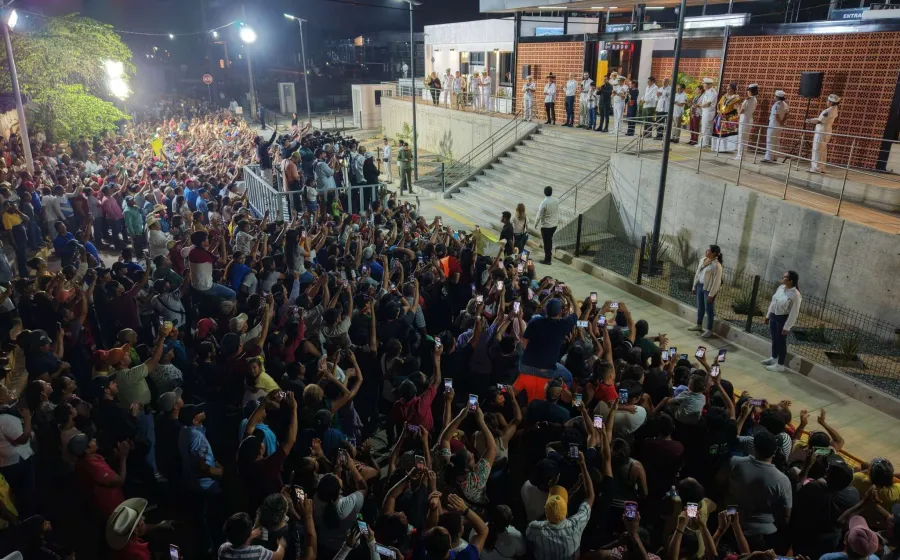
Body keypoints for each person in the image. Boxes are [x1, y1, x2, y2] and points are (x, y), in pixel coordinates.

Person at [725, 430, 792, 551]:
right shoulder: (783, 480)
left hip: (733, 522)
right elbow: (786, 515)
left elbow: (720, 483)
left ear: (754, 447)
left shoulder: (735, 462)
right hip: (766, 530)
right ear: (774, 451)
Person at [525, 451, 595, 560]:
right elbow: (590, 496)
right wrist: (582, 464)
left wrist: (576, 485)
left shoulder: (534, 528)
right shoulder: (575, 526)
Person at [762, 270, 801, 373]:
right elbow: (773, 302)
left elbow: (794, 313)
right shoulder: (781, 288)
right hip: (774, 316)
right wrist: (768, 315)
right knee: (774, 339)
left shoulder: (795, 295)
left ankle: (780, 364)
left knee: (781, 342)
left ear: (791, 281)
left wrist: (787, 327)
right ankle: (773, 357)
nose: (782, 278)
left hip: (782, 319)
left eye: (784, 277)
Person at [689, 245, 723, 338]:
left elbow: (717, 282)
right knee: (700, 307)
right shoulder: (703, 259)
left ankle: (709, 329)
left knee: (709, 309)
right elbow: (697, 272)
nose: (706, 251)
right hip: (700, 286)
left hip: (708, 290)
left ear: (714, 254)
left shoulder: (717, 266)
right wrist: (694, 286)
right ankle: (699, 325)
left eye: (708, 251)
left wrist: (711, 295)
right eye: (707, 250)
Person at [808, 94, 841, 173]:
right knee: (823, 149)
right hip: (828, 130)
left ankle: (816, 168)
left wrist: (809, 120)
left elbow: (819, 121)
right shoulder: (835, 109)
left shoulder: (827, 111)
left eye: (827, 101)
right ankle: (821, 167)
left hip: (821, 131)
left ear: (830, 102)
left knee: (817, 149)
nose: (826, 102)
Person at [762, 90, 789, 163]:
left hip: (773, 124)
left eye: (775, 96)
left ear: (777, 97)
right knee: (776, 141)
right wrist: (782, 123)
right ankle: (774, 157)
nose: (774, 97)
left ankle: (768, 158)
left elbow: (776, 116)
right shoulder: (785, 104)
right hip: (779, 126)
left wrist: (780, 122)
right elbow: (786, 114)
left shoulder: (776, 105)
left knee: (770, 140)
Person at [713, 83, 742, 153]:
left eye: (729, 89)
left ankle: (725, 148)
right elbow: (719, 105)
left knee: (726, 134)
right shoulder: (724, 96)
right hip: (720, 117)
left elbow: (737, 109)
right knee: (719, 133)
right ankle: (719, 148)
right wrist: (718, 111)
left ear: (734, 90)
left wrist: (731, 117)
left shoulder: (736, 98)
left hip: (729, 118)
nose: (727, 90)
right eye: (727, 89)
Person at [535, 186, 559, 265]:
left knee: (546, 243)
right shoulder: (556, 200)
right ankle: (549, 255)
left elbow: (539, 215)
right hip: (554, 225)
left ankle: (547, 259)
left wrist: (536, 224)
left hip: (546, 226)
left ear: (544, 193)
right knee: (549, 241)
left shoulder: (544, 203)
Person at [735, 83, 759, 160]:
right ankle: (743, 155)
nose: (747, 92)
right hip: (749, 120)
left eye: (748, 90)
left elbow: (741, 111)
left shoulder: (747, 100)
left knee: (741, 138)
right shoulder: (755, 100)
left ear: (750, 91)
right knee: (746, 138)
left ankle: (740, 156)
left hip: (744, 120)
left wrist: (737, 108)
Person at [698, 78, 718, 148]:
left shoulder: (713, 92)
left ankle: (704, 143)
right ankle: (704, 142)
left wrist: (699, 105)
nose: (703, 85)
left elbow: (708, 103)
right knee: (705, 127)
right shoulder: (707, 91)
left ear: (709, 85)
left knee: (706, 127)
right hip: (705, 111)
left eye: (704, 84)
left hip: (708, 112)